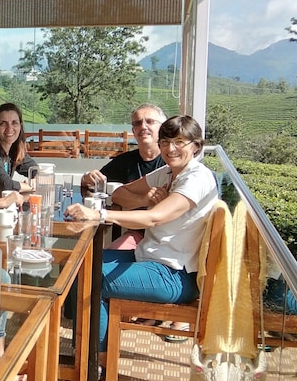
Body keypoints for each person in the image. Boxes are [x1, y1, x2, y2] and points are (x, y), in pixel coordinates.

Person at [65, 115, 219, 347]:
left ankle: (94, 356)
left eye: (179, 142)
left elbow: (154, 218)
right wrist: (145, 198)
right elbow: (119, 193)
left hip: (175, 274)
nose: (171, 149)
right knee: (79, 263)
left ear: (196, 146)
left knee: (91, 278)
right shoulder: (166, 173)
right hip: (148, 258)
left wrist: (99, 215)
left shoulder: (197, 179)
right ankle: (83, 343)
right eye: (165, 142)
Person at [80, 103, 167, 202]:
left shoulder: (170, 161)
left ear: (162, 128)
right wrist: (86, 178)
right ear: (133, 131)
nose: (143, 126)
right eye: (137, 123)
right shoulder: (123, 162)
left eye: (150, 121)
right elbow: (94, 183)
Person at [0, 103, 37, 194]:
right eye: (3, 124)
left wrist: (36, 179)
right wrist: (29, 186)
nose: (9, 128)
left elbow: (35, 169)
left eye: (14, 123)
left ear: (20, 126)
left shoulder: (14, 149)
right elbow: (5, 184)